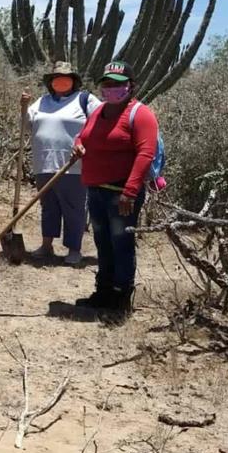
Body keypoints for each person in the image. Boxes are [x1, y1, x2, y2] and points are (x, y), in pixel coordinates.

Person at [72, 61, 160, 314]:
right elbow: (84, 136)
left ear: (131, 86)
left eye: (118, 84)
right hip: (96, 189)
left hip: (121, 193)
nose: (111, 89)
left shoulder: (140, 114)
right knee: (103, 242)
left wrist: (130, 192)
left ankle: (121, 298)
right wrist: (78, 145)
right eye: (107, 84)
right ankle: (104, 291)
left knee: (121, 243)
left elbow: (146, 153)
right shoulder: (99, 112)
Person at [22, 61, 101, 265]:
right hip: (44, 163)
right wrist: (23, 106)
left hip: (73, 166)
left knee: (74, 208)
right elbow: (26, 124)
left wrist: (85, 145)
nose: (61, 81)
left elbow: (100, 121)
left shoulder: (85, 100)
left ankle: (74, 249)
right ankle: (46, 245)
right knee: (49, 206)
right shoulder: (42, 101)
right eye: (57, 78)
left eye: (66, 78)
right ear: (51, 82)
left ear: (73, 81)